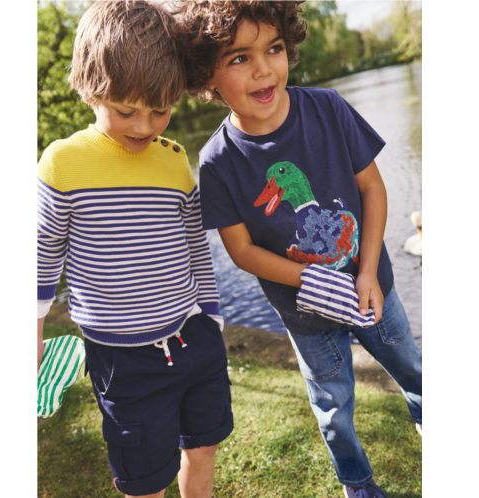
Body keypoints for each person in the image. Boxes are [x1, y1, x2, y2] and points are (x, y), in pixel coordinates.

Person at [176, 1, 423, 496]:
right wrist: (310, 279)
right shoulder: (218, 161)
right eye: (239, 58)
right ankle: (359, 484)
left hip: (372, 289)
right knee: (333, 411)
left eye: (274, 48)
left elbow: (374, 190)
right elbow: (242, 251)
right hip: (307, 318)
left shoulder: (328, 108)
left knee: (414, 371)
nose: (264, 67)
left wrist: (367, 271)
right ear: (207, 76)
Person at [36, 1, 233, 497]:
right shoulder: (63, 163)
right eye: (126, 111)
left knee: (204, 448)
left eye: (161, 111)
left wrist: (212, 319)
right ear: (88, 88)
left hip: (194, 338)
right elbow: (44, 254)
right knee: (146, 480)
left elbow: (195, 248)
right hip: (124, 361)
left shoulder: (174, 161)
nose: (145, 126)